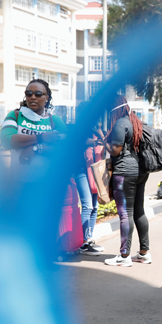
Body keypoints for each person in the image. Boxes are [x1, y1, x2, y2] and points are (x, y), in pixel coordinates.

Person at [104, 94, 150, 267]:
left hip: (124, 173)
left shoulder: (120, 123)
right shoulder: (135, 121)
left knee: (125, 214)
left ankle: (124, 256)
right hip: (140, 172)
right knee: (139, 210)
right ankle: (144, 253)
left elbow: (115, 150)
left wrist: (104, 141)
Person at [74, 101, 105, 256]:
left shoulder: (95, 129)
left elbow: (106, 142)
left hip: (95, 171)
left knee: (95, 206)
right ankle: (84, 242)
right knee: (87, 205)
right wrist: (91, 141)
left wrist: (99, 131)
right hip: (80, 171)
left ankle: (89, 239)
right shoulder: (77, 128)